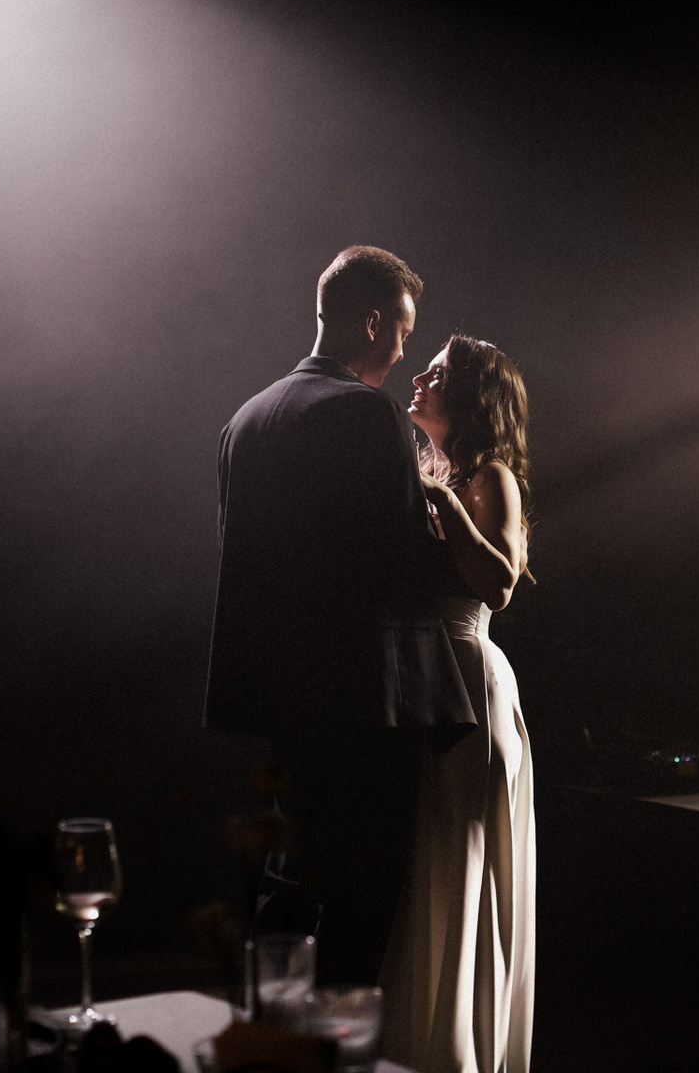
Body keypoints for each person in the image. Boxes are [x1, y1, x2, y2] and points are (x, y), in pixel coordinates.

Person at [205, 246, 476, 986]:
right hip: (364, 703)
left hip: (281, 702)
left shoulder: (246, 420)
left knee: (289, 882)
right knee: (361, 903)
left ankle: (270, 1031)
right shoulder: (364, 413)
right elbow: (403, 565)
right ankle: (338, 1039)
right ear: (373, 322)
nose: (404, 352)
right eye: (403, 333)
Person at [382, 334, 537, 1073]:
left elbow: (500, 583)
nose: (419, 375)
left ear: (472, 397)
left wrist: (445, 501)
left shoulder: (488, 476)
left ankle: (459, 1049)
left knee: (462, 861)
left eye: (439, 372)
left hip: (468, 680)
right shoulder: (425, 468)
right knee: (429, 863)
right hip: (422, 679)